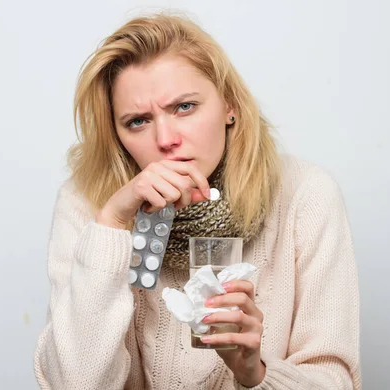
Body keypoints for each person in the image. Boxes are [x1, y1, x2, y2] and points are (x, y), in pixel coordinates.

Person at [33, 12, 361, 390]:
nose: (166, 138)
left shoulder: (305, 196)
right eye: (137, 121)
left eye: (184, 107)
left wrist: (256, 375)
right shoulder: (87, 204)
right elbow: (73, 383)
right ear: (117, 135)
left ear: (229, 105)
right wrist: (111, 225)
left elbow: (335, 380)